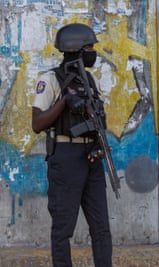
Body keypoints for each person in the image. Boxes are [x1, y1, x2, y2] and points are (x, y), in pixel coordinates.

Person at [31, 23, 112, 267]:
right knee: (63, 228)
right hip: (66, 156)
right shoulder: (50, 80)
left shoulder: (89, 79)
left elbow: (97, 119)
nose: (92, 52)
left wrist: (99, 146)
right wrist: (65, 102)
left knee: (101, 228)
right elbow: (37, 123)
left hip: (91, 156)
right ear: (75, 49)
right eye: (88, 47)